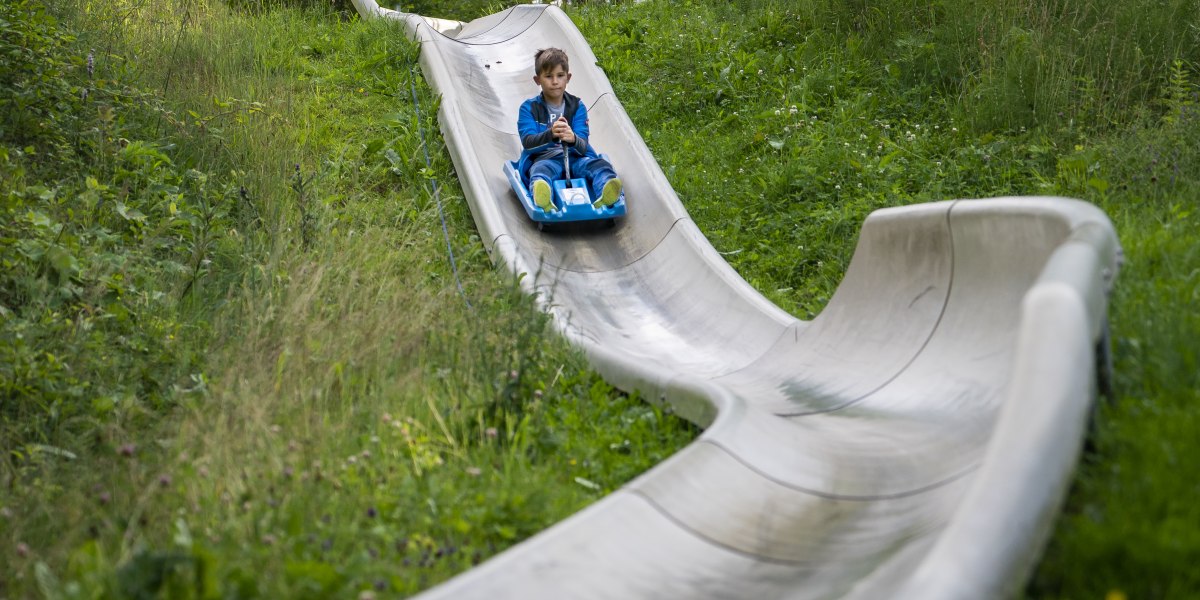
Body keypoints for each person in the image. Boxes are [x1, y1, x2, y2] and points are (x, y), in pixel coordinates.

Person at [516, 47, 622, 212]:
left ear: (568, 77)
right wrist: (551, 135)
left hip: (576, 158)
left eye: (560, 76)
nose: (555, 82)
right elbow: (528, 143)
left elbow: (583, 144)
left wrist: (572, 138)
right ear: (538, 80)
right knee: (540, 171)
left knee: (599, 165)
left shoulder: (577, 106)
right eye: (548, 76)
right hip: (546, 159)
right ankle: (543, 196)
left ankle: (606, 191)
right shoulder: (529, 108)